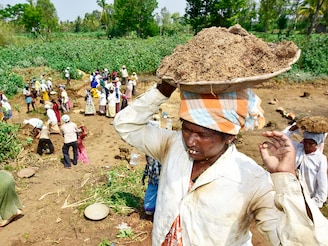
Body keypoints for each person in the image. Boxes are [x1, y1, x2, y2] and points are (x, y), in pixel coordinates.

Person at [114, 81, 328, 245]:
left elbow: (300, 240)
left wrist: (286, 180)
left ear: (230, 136)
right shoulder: (173, 146)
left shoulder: (252, 179)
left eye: (202, 134)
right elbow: (126, 125)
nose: (190, 140)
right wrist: (163, 89)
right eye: (186, 129)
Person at [282, 124, 328, 207]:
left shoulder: (320, 159)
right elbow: (281, 139)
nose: (307, 146)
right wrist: (292, 129)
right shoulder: (297, 148)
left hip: (307, 199)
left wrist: (314, 203)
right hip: (289, 193)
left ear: (317, 144)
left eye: (311, 144)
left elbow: (323, 183)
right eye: (306, 142)